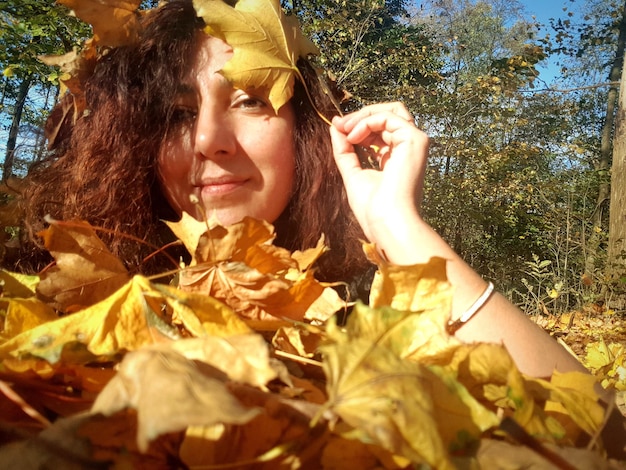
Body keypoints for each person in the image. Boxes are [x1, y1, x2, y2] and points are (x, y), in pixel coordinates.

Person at [1, 0, 598, 381]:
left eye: (251, 101)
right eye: (178, 115)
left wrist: (397, 224)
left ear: (304, 130)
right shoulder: (52, 306)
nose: (210, 140)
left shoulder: (364, 326)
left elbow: (595, 436)